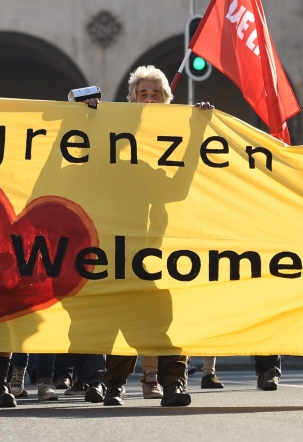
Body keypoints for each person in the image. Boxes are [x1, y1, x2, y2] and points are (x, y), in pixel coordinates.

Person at [82, 65, 211, 407]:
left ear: (168, 99)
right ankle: (114, 385)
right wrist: (92, 115)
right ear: (133, 99)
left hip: (160, 249)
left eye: (156, 94)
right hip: (120, 245)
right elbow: (93, 154)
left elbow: (178, 188)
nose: (150, 98)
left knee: (166, 321)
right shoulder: (120, 133)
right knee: (121, 316)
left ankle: (172, 385)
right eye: (144, 94)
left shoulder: (176, 135)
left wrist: (198, 129)